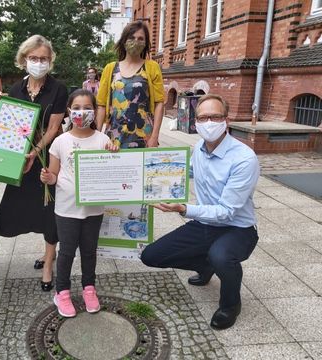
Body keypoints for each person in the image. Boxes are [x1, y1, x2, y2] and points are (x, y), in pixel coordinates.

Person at [140, 94, 260, 330]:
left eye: (215, 116)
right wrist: (155, 167)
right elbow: (188, 171)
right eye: (203, 117)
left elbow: (226, 212)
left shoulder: (244, 159)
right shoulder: (199, 148)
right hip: (205, 224)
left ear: (226, 120)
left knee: (221, 256)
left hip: (238, 228)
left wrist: (185, 209)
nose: (209, 122)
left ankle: (230, 304)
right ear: (195, 123)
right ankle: (205, 266)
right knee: (151, 256)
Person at [0, 35, 68, 292]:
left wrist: (35, 152)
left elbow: (53, 128)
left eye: (44, 59)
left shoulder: (58, 89)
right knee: (28, 209)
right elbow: (13, 127)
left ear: (50, 61)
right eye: (34, 58)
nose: (39, 62)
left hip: (48, 158)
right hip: (23, 160)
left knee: (50, 210)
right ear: (24, 59)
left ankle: (49, 262)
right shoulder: (16, 89)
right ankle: (48, 252)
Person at [40, 89, 118, 317]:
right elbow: (53, 175)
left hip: (94, 208)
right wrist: (47, 177)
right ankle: (62, 292)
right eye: (77, 108)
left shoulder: (103, 139)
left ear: (94, 111)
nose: (82, 112)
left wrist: (114, 154)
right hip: (66, 208)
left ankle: (89, 288)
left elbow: (112, 172)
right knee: (66, 252)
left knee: (89, 251)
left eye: (87, 108)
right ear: (69, 111)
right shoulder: (60, 141)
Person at [96, 21, 165, 149]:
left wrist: (155, 137)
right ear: (124, 40)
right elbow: (100, 105)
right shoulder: (110, 69)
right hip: (114, 136)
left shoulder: (152, 67)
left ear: (145, 43)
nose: (136, 41)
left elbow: (159, 103)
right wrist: (97, 136)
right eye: (131, 38)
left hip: (144, 135)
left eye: (140, 39)